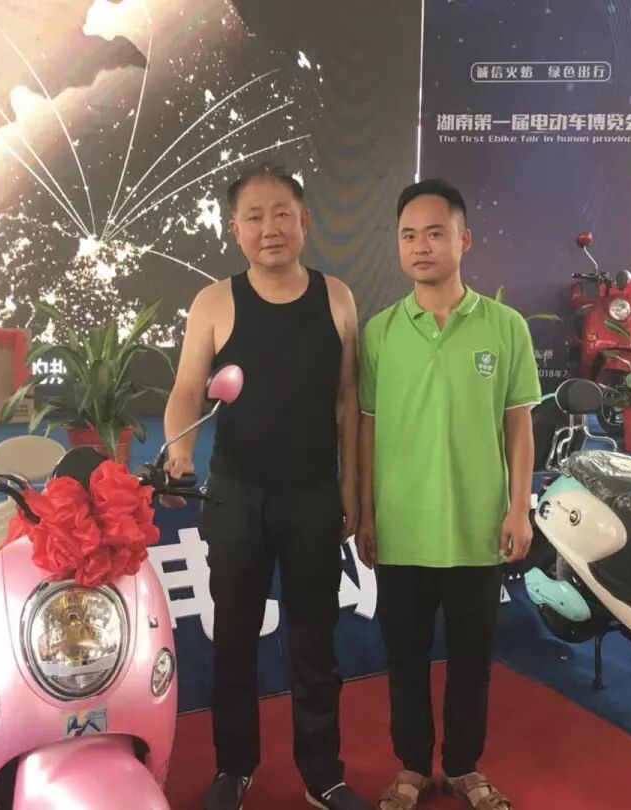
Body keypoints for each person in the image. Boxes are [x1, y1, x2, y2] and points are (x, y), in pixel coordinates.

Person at [163, 163, 369, 810]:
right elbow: (187, 391)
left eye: (282, 213)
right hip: (236, 496)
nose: (269, 228)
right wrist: (179, 454)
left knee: (315, 643)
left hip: (312, 496)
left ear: (304, 220)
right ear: (235, 231)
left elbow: (349, 403)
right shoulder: (215, 302)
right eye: (254, 217)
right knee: (233, 641)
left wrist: (352, 490)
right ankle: (234, 768)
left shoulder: (337, 297)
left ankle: (322, 773)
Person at [357, 179, 539, 810]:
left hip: (476, 528)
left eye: (435, 233)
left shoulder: (505, 327)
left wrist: (518, 508)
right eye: (409, 235)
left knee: (471, 662)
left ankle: (463, 767)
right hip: (401, 528)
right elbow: (367, 428)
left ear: (464, 240)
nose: (421, 246)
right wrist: (366, 512)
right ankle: (411, 768)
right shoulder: (380, 332)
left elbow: (519, 426)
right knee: (404, 661)